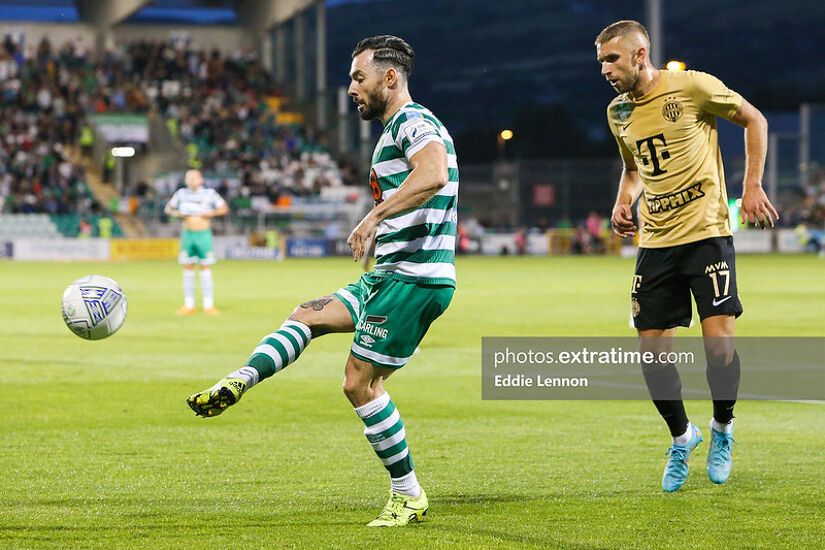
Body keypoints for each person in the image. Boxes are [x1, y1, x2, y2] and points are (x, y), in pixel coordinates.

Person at [186, 35, 458, 527]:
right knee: (306, 315)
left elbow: (434, 174)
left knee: (360, 383)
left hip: (414, 278)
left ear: (389, 77)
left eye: (358, 77)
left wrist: (374, 217)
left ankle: (408, 493)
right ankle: (242, 378)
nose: (351, 88)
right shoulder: (396, 128)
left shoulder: (413, 122)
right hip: (388, 274)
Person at [596, 20, 778, 492]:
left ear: (640, 56)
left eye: (612, 59)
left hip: (707, 234)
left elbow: (754, 119)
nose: (604, 69)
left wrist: (752, 185)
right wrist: (623, 200)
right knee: (652, 358)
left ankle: (722, 428)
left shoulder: (693, 86)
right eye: (600, 62)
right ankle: (683, 436)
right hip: (656, 244)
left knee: (719, 349)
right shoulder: (618, 113)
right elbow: (633, 168)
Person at [164, 169, 228, 315]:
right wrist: (177, 213)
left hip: (203, 235)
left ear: (201, 179)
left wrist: (211, 213)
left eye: (195, 178)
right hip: (188, 235)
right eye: (189, 178)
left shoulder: (209, 193)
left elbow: (223, 208)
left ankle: (208, 305)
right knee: (188, 269)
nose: (192, 180)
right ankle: (189, 305)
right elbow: (168, 209)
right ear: (186, 180)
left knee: (205, 269)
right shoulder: (181, 194)